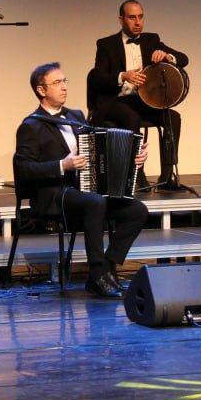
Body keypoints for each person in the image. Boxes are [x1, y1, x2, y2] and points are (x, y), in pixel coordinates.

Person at [14, 62, 150, 298]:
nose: (64, 87)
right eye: (57, 82)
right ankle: (97, 274)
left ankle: (107, 267)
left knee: (137, 210)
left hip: (83, 190)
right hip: (53, 195)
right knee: (95, 202)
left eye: (65, 81)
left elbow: (99, 152)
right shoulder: (31, 126)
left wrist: (132, 159)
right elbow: (23, 168)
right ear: (41, 90)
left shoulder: (75, 117)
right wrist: (62, 165)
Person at [88, 0, 188, 188]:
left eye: (141, 17)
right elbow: (97, 78)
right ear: (121, 19)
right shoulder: (106, 44)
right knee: (131, 117)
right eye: (132, 17)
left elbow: (184, 59)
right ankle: (136, 174)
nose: (138, 22)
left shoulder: (152, 40)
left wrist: (167, 57)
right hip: (115, 101)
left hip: (142, 102)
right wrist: (123, 76)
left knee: (173, 117)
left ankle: (167, 176)